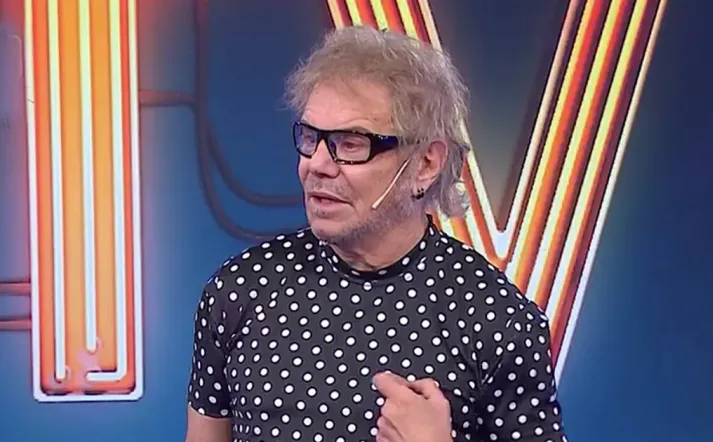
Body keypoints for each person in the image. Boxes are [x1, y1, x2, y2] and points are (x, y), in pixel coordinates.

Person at [185, 25, 568, 442]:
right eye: (311, 138)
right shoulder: (240, 291)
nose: (316, 164)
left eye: (351, 144)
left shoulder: (497, 321)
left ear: (425, 164)